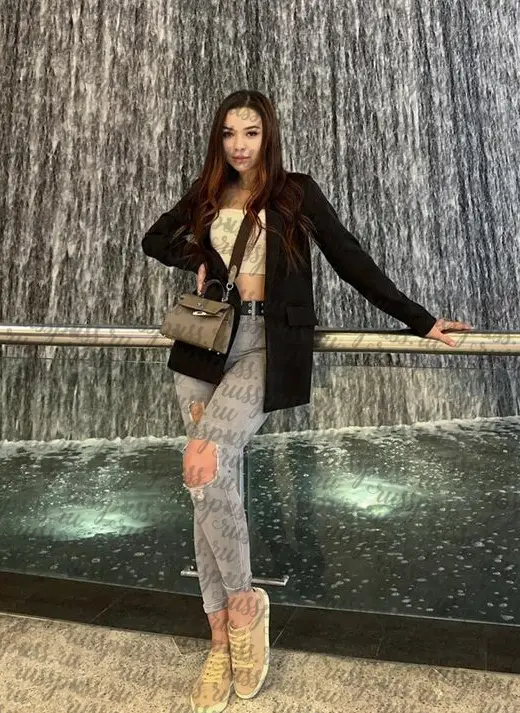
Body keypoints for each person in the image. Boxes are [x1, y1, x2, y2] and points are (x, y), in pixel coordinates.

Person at [141, 89, 472, 713]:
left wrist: (420, 319)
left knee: (205, 463)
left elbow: (351, 259)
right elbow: (153, 239)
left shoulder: (296, 192)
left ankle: (243, 607)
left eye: (251, 133)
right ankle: (220, 638)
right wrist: (200, 256)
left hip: (267, 344)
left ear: (269, 135)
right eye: (229, 133)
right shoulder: (207, 190)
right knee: (204, 481)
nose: (239, 145)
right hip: (205, 345)